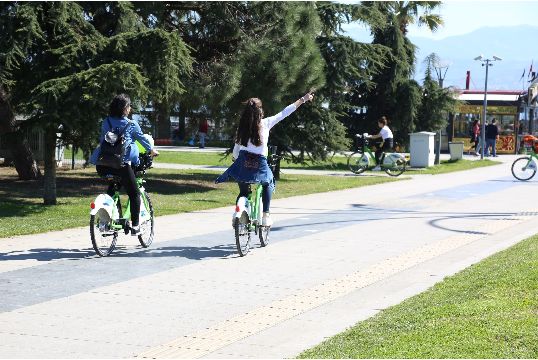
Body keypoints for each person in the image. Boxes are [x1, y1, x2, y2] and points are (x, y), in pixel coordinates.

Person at [215, 92, 314, 226]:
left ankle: (237, 213)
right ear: (260, 111)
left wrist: (235, 159)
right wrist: (303, 99)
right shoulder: (266, 123)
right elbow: (285, 112)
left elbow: (236, 148)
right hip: (260, 163)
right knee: (268, 181)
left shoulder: (242, 127)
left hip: (243, 162)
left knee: (243, 191)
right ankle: (266, 215)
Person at [90, 94, 159, 235]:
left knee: (113, 187)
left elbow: (102, 140)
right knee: (134, 194)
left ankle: (105, 221)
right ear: (124, 109)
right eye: (128, 106)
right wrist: (152, 151)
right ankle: (135, 226)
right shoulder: (131, 124)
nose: (130, 108)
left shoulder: (105, 122)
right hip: (121, 165)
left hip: (102, 165)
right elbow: (143, 141)